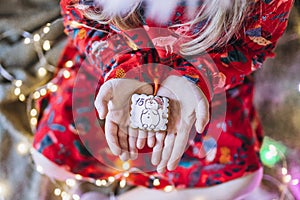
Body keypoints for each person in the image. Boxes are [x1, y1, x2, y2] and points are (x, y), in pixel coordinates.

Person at [31, 0, 294, 199]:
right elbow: (80, 18)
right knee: (49, 159)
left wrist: (195, 80)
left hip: (207, 79)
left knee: (242, 180)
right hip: (115, 67)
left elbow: (252, 47)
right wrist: (122, 69)